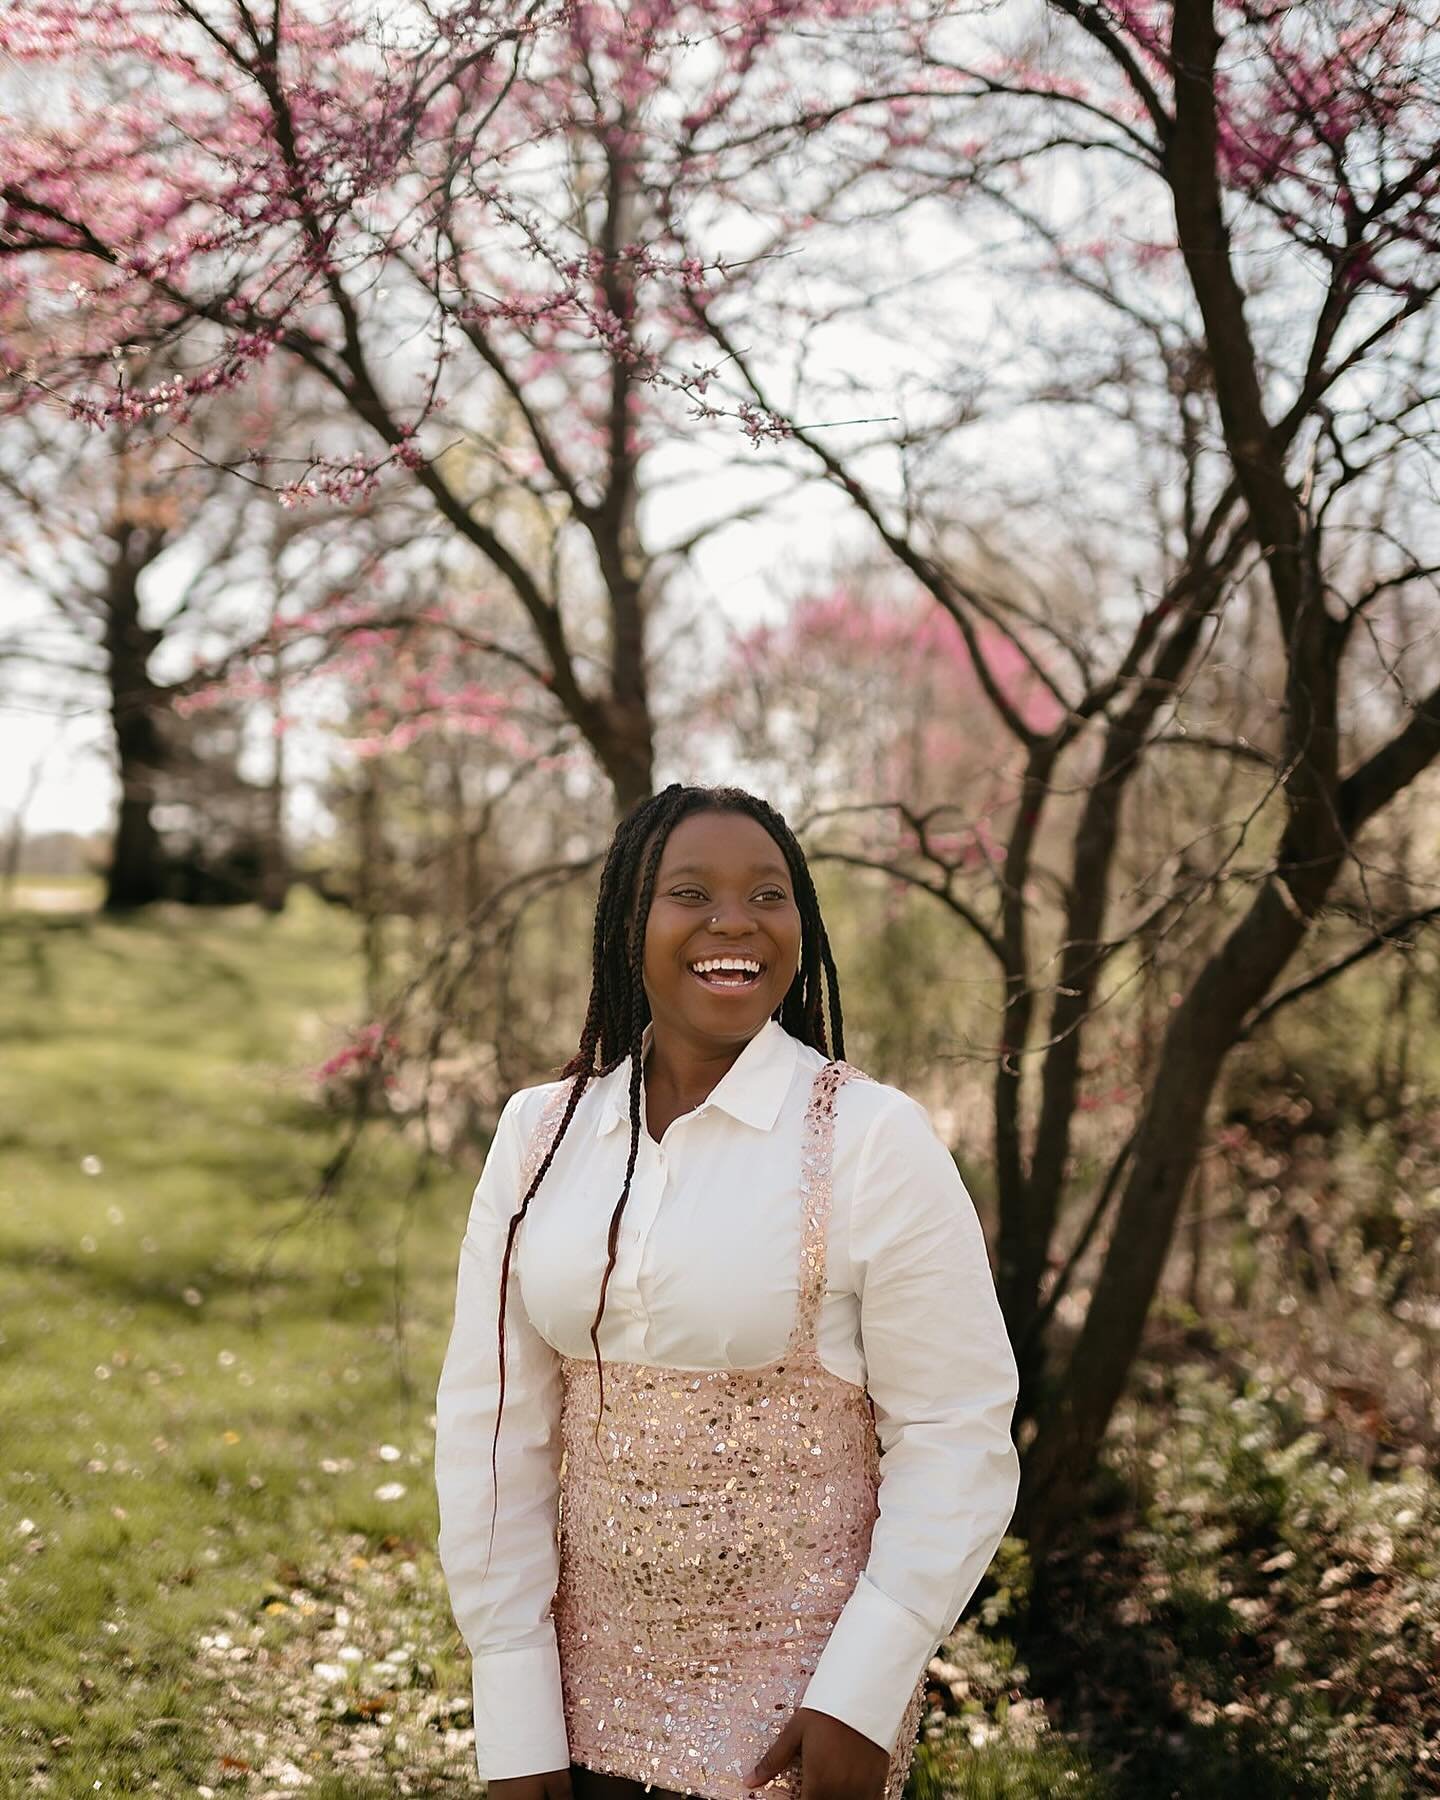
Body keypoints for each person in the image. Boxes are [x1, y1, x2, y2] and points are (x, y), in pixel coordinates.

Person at [435, 783, 1021, 1800]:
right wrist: (513, 1716)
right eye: (690, 892)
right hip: (573, 1706)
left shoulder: (871, 1140)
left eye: (769, 894)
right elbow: (493, 1433)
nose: (734, 921)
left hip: (797, 1718)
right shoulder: (540, 1138)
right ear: (631, 922)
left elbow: (957, 1432)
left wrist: (864, 1692)